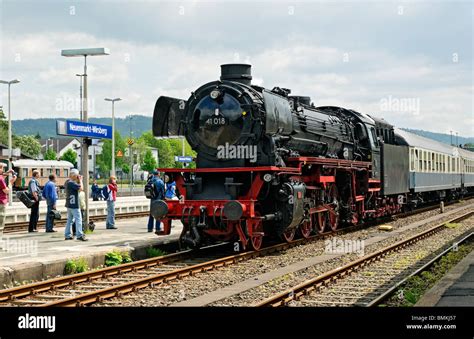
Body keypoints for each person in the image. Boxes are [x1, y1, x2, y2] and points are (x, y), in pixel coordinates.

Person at [64, 169, 87, 241]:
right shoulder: (71, 183)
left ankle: (67, 235)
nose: (77, 176)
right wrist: (80, 180)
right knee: (78, 219)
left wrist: (78, 180)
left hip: (69, 204)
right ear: (74, 175)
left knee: (69, 220)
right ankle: (79, 235)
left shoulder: (68, 182)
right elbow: (81, 188)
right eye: (77, 175)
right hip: (74, 205)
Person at [0, 163, 17, 236]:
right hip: (1, 202)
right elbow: (6, 191)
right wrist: (11, 183)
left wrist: (7, 172)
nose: (3, 170)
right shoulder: (0, 179)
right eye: (2, 168)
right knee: (0, 225)